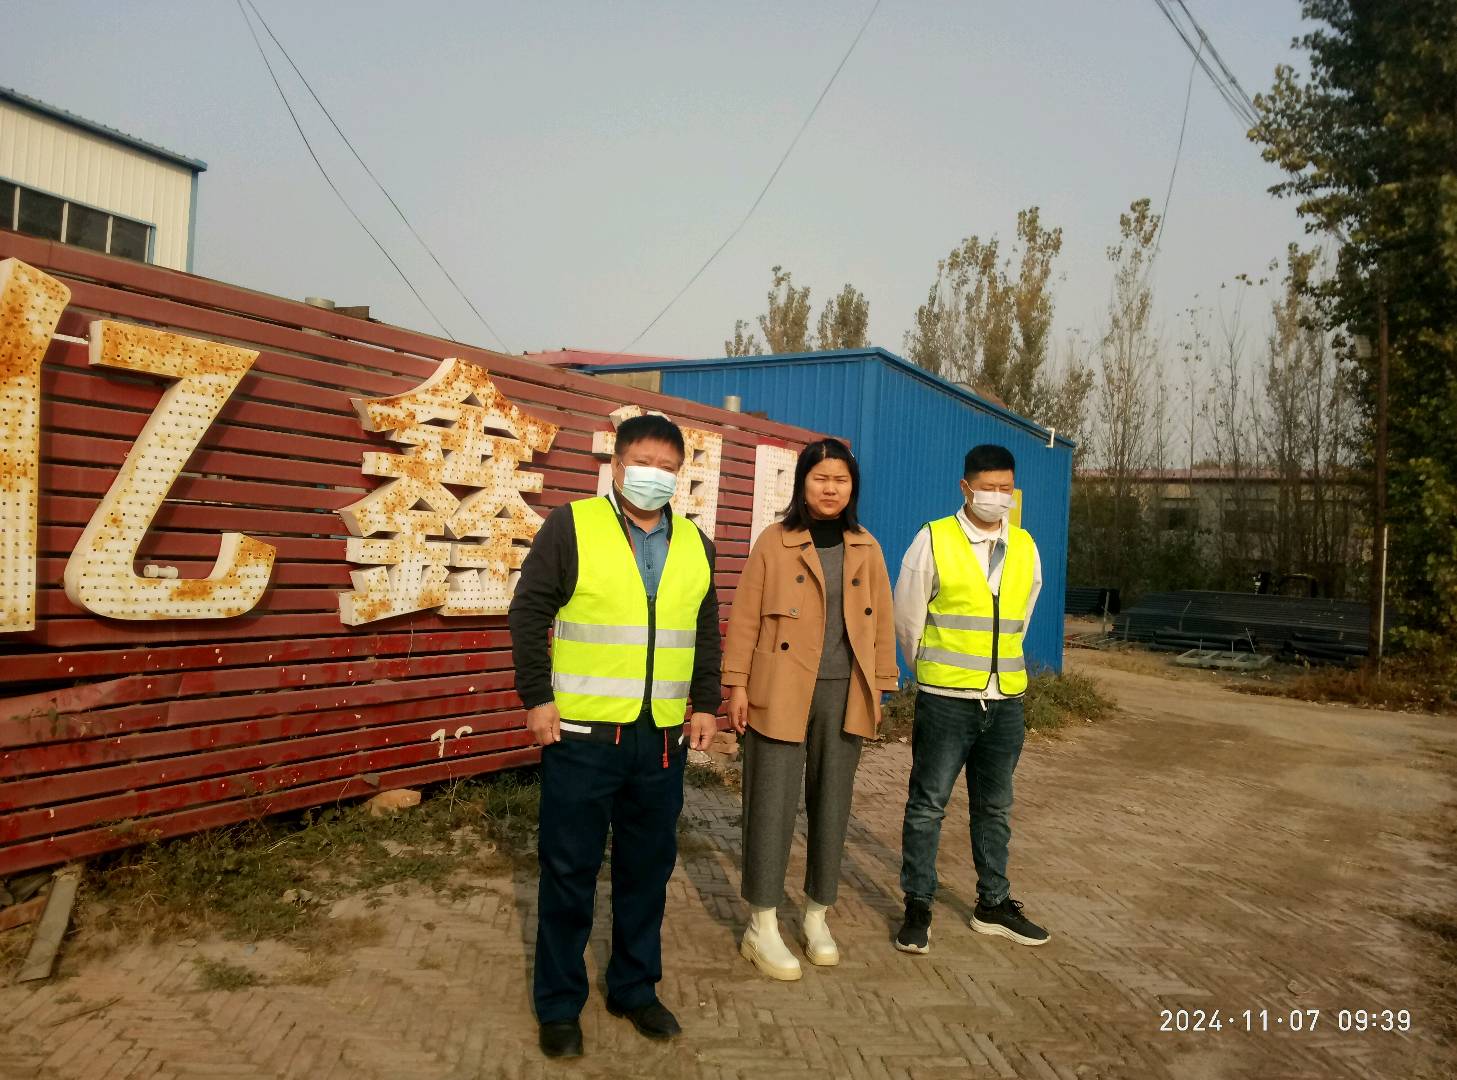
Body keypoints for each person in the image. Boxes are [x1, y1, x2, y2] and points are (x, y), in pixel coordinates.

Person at [508, 413, 721, 1059]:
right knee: (568, 870)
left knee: (647, 871)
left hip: (661, 738)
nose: (654, 475)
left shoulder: (696, 543)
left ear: (679, 475)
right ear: (617, 465)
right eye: (643, 463)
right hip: (583, 735)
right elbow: (528, 610)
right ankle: (558, 1003)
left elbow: (704, 629)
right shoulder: (572, 526)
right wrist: (536, 697)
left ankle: (633, 987)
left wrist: (706, 705)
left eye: (667, 467)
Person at [722, 439, 900, 980]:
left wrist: (882, 686)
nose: (830, 488)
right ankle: (762, 923)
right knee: (769, 805)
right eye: (821, 478)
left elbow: (883, 622)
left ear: (853, 488)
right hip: (777, 687)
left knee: (832, 805)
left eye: (841, 480)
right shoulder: (774, 542)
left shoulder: (866, 547)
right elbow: (745, 617)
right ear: (802, 483)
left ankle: (817, 915)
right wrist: (735, 685)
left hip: (843, 693)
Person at [891, 443, 1048, 955]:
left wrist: (997, 668)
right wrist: (931, 671)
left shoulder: (1025, 545)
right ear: (966, 488)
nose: (998, 497)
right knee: (927, 806)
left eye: (1006, 488)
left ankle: (993, 904)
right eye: (988, 487)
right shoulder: (933, 539)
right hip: (946, 700)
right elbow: (908, 618)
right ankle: (918, 905)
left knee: (995, 807)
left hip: (1005, 700)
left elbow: (1023, 614)